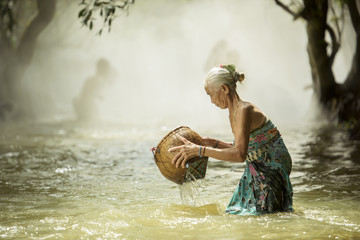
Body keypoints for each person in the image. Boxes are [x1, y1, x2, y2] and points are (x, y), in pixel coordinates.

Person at [168, 64, 293, 215]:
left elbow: (239, 155)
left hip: (272, 164)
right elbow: (243, 147)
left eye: (211, 94)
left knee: (262, 216)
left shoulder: (244, 110)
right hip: (257, 163)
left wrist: (200, 151)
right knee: (236, 211)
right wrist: (213, 143)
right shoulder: (233, 112)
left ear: (224, 89)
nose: (212, 101)